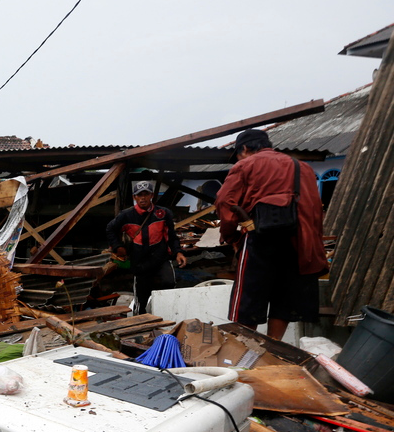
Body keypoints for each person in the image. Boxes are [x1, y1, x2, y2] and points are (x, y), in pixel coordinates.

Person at [214, 129, 327, 340]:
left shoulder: (245, 165)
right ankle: (273, 349)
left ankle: (247, 349)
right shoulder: (301, 167)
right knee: (284, 298)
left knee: (248, 297)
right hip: (298, 239)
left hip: (260, 237)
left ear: (245, 149)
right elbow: (314, 209)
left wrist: (230, 237)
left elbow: (225, 202)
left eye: (238, 154)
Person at [106, 181, 187, 314]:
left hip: (160, 257)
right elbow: (110, 229)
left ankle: (168, 315)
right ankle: (141, 319)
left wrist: (178, 252)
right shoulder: (126, 215)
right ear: (134, 197)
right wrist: (117, 247)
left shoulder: (163, 213)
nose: (143, 198)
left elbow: (171, 236)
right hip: (140, 260)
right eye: (139, 195)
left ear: (151, 196)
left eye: (146, 194)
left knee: (169, 284)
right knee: (142, 295)